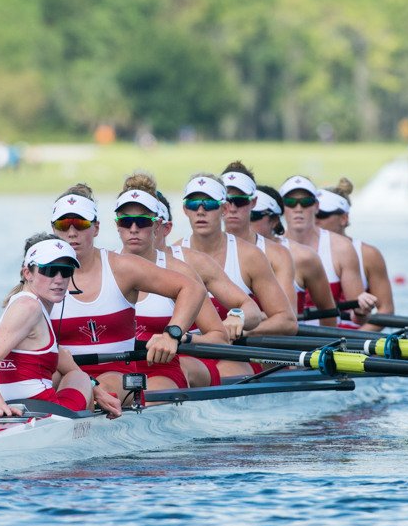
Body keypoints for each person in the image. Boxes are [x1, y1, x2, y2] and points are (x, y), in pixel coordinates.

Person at [50, 184, 204, 410]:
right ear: (53, 230)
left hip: (116, 373)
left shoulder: (122, 268)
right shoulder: (41, 274)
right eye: (63, 225)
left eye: (81, 224)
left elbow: (192, 289)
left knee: (90, 389)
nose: (72, 233)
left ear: (96, 228)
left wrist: (172, 334)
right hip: (65, 372)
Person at [115, 172, 231, 389]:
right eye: (126, 221)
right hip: (119, 370)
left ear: (158, 226)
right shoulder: (102, 267)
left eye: (142, 222)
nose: (133, 229)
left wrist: (178, 339)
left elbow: (219, 338)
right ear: (117, 225)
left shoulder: (180, 272)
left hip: (173, 365)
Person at [0, 234, 94, 426]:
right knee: (80, 378)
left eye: (66, 271)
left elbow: (62, 358)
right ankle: (89, 434)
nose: (59, 279)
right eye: (50, 270)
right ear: (27, 273)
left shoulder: (22, 302)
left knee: (61, 374)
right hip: (33, 409)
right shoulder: (30, 307)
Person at [152, 189, 265, 384]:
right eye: (126, 223)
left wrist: (238, 316)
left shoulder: (194, 263)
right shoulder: (117, 265)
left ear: (166, 227)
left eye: (146, 222)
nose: (135, 229)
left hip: (200, 355)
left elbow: (279, 318)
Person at [178, 173, 297, 340]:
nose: (200, 211)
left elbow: (287, 321)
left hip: (235, 354)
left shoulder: (250, 256)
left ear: (224, 209)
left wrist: (241, 329)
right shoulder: (173, 254)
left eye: (210, 204)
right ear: (185, 209)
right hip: (186, 355)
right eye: (193, 204)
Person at [280, 175, 378, 328]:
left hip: (327, 341)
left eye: (306, 202)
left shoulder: (342, 248)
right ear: (282, 207)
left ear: (316, 206)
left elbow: (358, 318)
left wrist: (361, 312)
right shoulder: (270, 247)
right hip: (283, 341)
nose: (298, 209)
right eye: (290, 202)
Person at [251, 184, 338, 327]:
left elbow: (328, 313)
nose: (244, 220)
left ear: (274, 221)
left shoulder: (302, 257)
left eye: (253, 216)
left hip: (282, 344)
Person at [218, 161, 298, 313]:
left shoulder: (278, 256)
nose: (232, 208)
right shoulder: (193, 251)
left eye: (240, 201)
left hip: (256, 334)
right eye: (227, 201)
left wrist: (243, 325)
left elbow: (288, 317)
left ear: (253, 202)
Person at [316, 178, 394, 330]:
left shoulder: (368, 254)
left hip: (353, 339)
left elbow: (386, 310)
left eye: (322, 215)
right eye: (312, 214)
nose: (314, 220)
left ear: (344, 218)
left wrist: (353, 342)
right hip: (310, 340)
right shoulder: (298, 252)